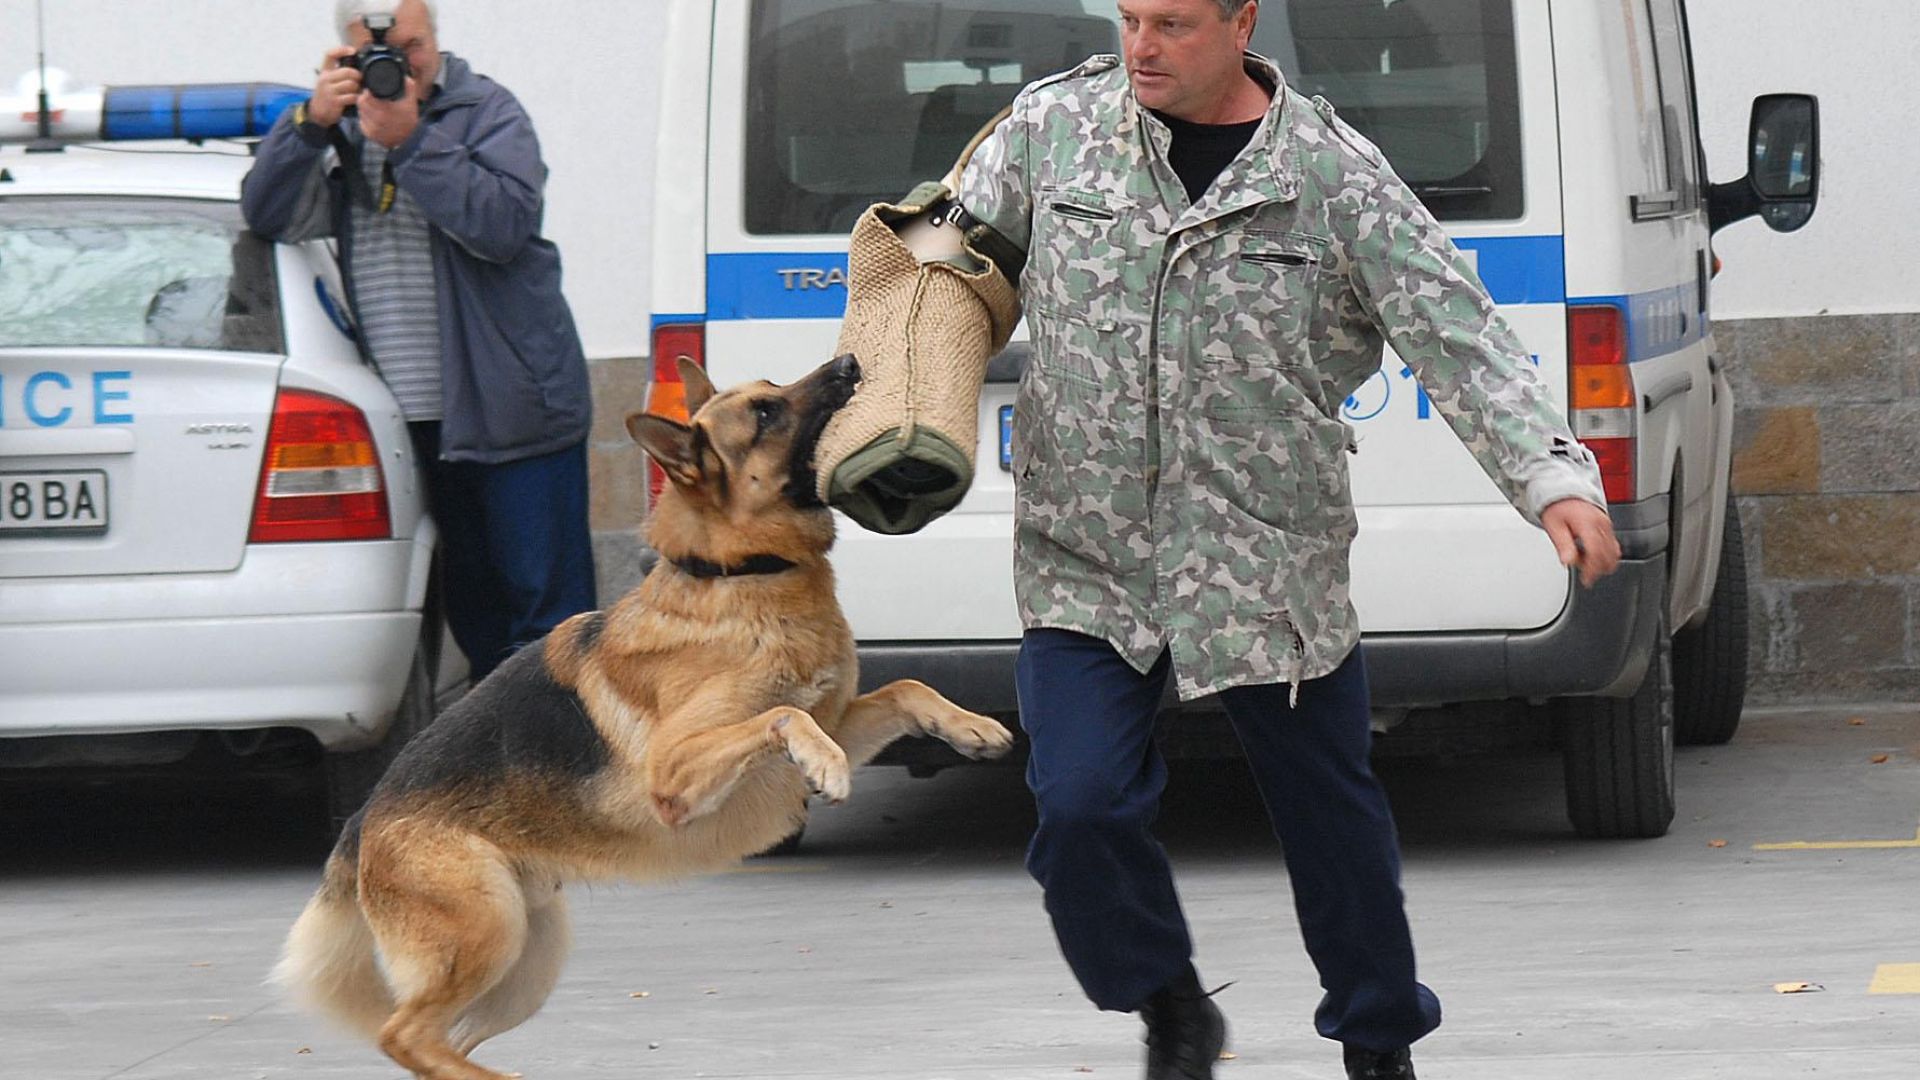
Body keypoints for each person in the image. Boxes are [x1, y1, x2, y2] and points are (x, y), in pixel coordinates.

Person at [949, 1, 1624, 1077]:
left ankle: (1377, 1035)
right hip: (1091, 561)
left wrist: (1553, 481)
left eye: (1171, 22)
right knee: (1077, 810)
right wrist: (878, 408)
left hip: (1264, 561)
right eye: (1127, 18)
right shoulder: (1049, 130)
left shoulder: (1330, 172)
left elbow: (1458, 333)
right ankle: (1168, 1001)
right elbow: (934, 281)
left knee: (1332, 829)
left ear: (1241, 20)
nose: (1141, 47)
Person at [242, 0, 596, 681]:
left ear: (435, 38)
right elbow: (266, 215)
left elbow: (502, 225)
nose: (399, 63)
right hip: (413, 422)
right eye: (378, 51)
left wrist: (412, 140)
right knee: (477, 618)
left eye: (413, 45)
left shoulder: (486, 112)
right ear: (344, 51)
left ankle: (576, 771)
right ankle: (505, 773)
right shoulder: (335, 129)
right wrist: (308, 126)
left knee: (550, 623)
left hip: (513, 406)